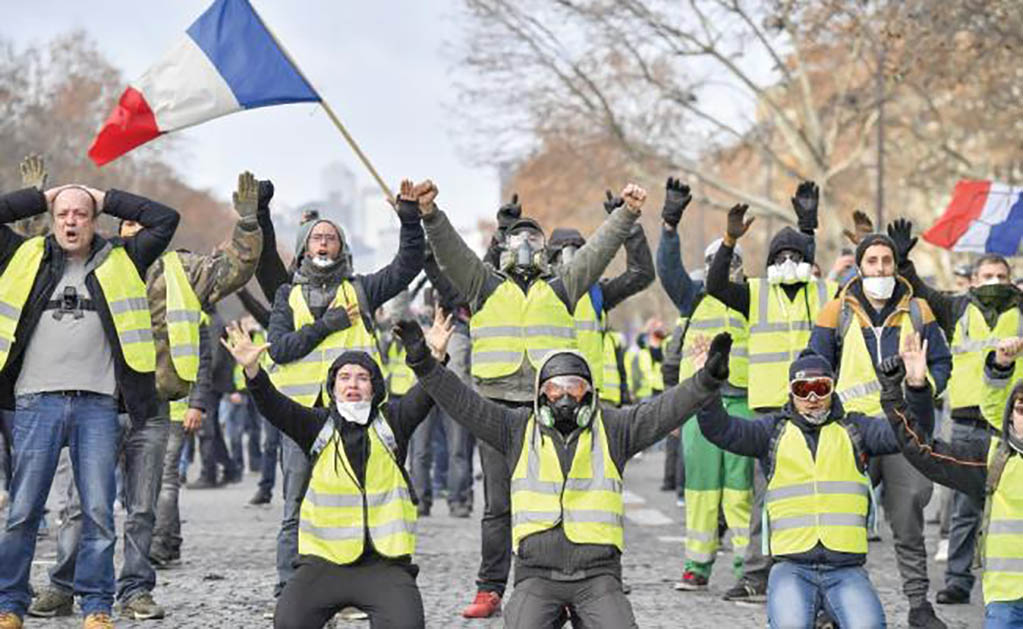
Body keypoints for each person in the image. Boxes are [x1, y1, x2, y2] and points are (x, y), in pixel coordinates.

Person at [393, 311, 732, 628]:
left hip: (598, 577)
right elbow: (463, 403)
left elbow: (665, 411)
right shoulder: (515, 428)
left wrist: (707, 379)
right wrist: (424, 362)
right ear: (541, 393)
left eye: (575, 388)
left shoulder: (614, 428)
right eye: (555, 389)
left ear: (590, 392)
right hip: (536, 577)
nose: (565, 398)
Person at [30, 170, 262, 621]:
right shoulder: (94, 263)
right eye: (128, 224)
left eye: (143, 223)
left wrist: (249, 224)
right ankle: (63, 585)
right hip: (97, 401)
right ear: (118, 230)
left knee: (142, 507)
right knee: (81, 506)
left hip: (153, 407)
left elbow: (235, 267)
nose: (137, 230)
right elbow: (35, 263)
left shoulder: (181, 269)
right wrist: (38, 212)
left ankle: (135, 588)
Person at [418, 180, 644, 618]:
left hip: (553, 409)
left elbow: (597, 251)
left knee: (564, 496)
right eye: (516, 237)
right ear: (502, 246)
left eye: (533, 238)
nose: (524, 245)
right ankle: (489, 587)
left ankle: (572, 581)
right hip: (498, 410)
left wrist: (626, 215)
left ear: (546, 249)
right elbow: (451, 252)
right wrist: (430, 214)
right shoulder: (483, 283)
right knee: (499, 505)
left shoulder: (563, 285)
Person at [0, 160, 179, 629]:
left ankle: (96, 605)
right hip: (36, 402)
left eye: (81, 213)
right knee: (22, 513)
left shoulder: (124, 256)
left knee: (99, 512)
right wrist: (41, 196)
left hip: (99, 404)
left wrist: (105, 196)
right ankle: (9, 605)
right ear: (52, 220)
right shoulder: (23, 256)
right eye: (63, 214)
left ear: (94, 219)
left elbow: (166, 219)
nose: (71, 221)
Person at [222, 312, 453, 629]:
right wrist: (252, 369)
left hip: (383, 566)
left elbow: (427, 393)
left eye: (362, 377)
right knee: (288, 623)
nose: (353, 384)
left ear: (374, 387)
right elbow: (273, 405)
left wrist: (435, 357)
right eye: (344, 377)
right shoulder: (317, 425)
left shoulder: (393, 422)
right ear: (333, 387)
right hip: (323, 565)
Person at [265, 179, 425, 599]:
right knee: (296, 506)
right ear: (303, 248)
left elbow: (407, 265)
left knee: (356, 502)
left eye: (331, 238)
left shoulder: (362, 290)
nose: (323, 243)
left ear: (341, 248)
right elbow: (280, 349)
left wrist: (409, 220)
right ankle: (290, 588)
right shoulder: (287, 294)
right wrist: (328, 325)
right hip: (304, 418)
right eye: (316, 237)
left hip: (356, 419)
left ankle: (350, 586)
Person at [696, 346, 907, 629]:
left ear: (832, 388)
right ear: (790, 391)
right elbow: (720, 430)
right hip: (791, 569)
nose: (812, 398)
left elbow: (909, 435)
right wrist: (708, 385)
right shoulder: (772, 431)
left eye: (820, 387)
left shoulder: (855, 428)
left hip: (846, 569)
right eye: (802, 388)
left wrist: (906, 390)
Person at [807, 230, 952, 628]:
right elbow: (815, 365)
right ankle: (830, 605)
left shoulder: (919, 311)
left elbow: (942, 364)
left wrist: (923, 383)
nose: (880, 269)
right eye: (872, 262)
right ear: (859, 265)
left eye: (886, 261)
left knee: (909, 517)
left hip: (903, 427)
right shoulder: (835, 311)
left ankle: (919, 605)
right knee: (842, 518)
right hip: (852, 429)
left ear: (895, 265)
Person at [704, 182, 837, 604]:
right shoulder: (755, 293)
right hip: (772, 414)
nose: (786, 262)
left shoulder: (824, 294)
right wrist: (729, 242)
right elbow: (715, 286)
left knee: (819, 493)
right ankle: (758, 574)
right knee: (765, 496)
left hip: (818, 408)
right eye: (779, 257)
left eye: (794, 256)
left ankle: (821, 568)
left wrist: (808, 228)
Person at [889, 218, 1023, 608]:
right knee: (965, 508)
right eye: (987, 275)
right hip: (966, 421)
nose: (993, 280)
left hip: (1012, 426)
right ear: (973, 280)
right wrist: (903, 261)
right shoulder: (957, 307)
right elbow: (921, 293)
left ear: (1011, 278)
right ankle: (958, 580)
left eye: (1001, 274)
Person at [880, 334, 1023, 627]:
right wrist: (899, 392)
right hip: (1006, 601)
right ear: (1011, 416)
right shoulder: (994, 457)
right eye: (1022, 408)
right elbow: (925, 453)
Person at [658, 176, 754, 590]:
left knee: (741, 495)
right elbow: (668, 270)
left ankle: (745, 570)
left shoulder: (755, 299)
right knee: (700, 491)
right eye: (718, 262)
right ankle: (697, 567)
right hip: (699, 407)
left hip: (743, 406)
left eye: (731, 262)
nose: (725, 269)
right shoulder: (693, 297)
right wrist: (668, 226)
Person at [546, 187, 655, 408]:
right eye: (565, 254)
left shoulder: (596, 293)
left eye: (579, 253)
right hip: (549, 396)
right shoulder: (537, 292)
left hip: (593, 398)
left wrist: (626, 225)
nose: (572, 263)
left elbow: (641, 275)